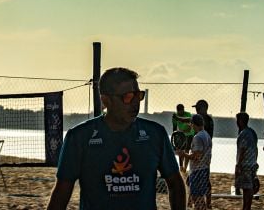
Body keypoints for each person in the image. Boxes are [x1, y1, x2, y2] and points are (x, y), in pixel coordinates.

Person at [47, 67, 186, 210]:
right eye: (127, 97)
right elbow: (61, 192)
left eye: (138, 95)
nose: (135, 102)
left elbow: (175, 183)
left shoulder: (155, 134)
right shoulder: (79, 137)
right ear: (106, 100)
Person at [178, 114, 212, 210]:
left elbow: (196, 156)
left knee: (197, 199)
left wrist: (183, 154)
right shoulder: (206, 135)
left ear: (193, 124)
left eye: (191, 123)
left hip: (198, 170)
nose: (191, 126)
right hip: (204, 168)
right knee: (200, 197)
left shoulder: (198, 137)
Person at [235, 112, 259, 210]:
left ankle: (246, 207)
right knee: (249, 186)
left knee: (246, 188)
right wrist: (255, 160)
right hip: (252, 162)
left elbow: (242, 150)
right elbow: (256, 148)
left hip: (245, 164)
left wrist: (238, 164)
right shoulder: (252, 132)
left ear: (240, 121)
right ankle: (247, 206)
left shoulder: (243, 133)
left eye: (237, 120)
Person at [193, 99, 214, 207]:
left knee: (202, 179)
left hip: (203, 152)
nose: (196, 110)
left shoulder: (205, 121)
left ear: (203, 108)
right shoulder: (206, 120)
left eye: (197, 108)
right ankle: (206, 202)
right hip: (205, 152)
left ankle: (207, 202)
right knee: (203, 178)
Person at [172, 103, 194, 171]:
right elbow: (174, 128)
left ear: (183, 110)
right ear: (177, 111)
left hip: (189, 134)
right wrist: (175, 136)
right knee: (180, 150)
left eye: (182, 110)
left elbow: (189, 128)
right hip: (180, 135)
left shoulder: (188, 114)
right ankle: (181, 166)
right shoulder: (175, 116)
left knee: (187, 150)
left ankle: (185, 167)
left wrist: (182, 131)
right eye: (179, 111)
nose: (181, 112)